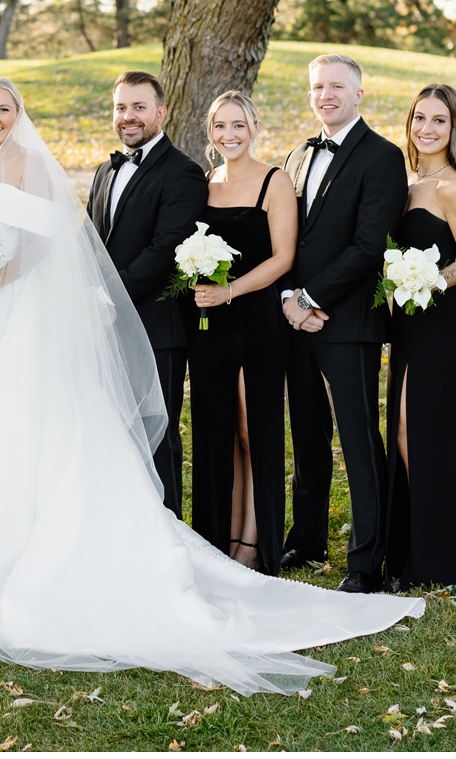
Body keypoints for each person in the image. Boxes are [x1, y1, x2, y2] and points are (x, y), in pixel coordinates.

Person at [0, 82, 423, 696]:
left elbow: (51, 244)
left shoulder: (78, 168)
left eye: (4, 110)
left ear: (20, 115)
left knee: (29, 427)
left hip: (23, 314)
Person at [278, 54, 407, 594]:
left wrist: (309, 297)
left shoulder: (382, 157)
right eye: (317, 87)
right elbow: (287, 238)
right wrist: (290, 299)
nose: (325, 95)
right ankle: (306, 540)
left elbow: (369, 245)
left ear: (359, 94)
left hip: (348, 319)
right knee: (307, 436)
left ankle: (366, 561)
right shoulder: (297, 155)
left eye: (336, 87)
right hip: (295, 318)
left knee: (357, 439)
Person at [86, 71, 206, 516]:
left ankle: (167, 529)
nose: (128, 117)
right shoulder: (104, 170)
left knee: (156, 431)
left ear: (161, 112)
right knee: (111, 429)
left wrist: (108, 295)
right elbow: (91, 243)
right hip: (102, 325)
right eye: (121, 108)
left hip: (156, 327)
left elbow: (167, 249)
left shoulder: (184, 173)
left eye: (138, 107)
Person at [186, 91, 295, 574]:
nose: (229, 135)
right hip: (209, 325)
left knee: (253, 431)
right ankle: (218, 538)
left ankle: (253, 541)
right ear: (210, 133)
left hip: (257, 322)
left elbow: (283, 259)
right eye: (220, 127)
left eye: (238, 125)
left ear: (254, 127)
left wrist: (230, 292)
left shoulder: (276, 181)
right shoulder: (205, 184)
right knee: (218, 431)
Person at [384, 84, 456, 591]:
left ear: (453, 128)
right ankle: (409, 546)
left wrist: (427, 281)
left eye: (438, 120)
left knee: (421, 430)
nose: (427, 128)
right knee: (402, 428)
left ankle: (435, 556)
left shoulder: (451, 188)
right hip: (405, 323)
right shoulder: (407, 183)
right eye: (420, 118)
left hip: (436, 319)